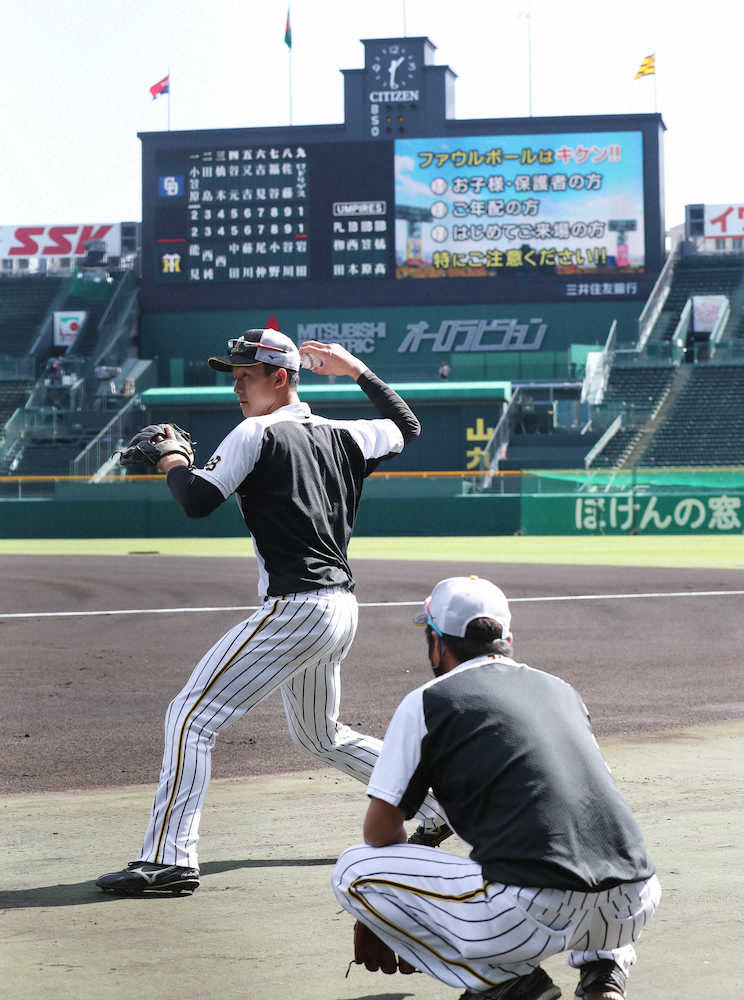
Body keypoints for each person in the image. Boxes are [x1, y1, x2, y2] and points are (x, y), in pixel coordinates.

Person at [96, 328, 448, 896]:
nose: (236, 387)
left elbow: (196, 500)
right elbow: (408, 427)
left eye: (245, 375)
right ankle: (436, 807)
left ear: (279, 377)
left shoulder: (253, 433)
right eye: (233, 376)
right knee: (320, 736)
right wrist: (355, 369)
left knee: (190, 716)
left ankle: (168, 859)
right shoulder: (346, 434)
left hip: (297, 607)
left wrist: (172, 460)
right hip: (339, 607)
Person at [332, 575, 661, 1000]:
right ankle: (604, 974)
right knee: (588, 842)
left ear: (437, 642)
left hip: (529, 913)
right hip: (633, 900)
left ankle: (511, 985)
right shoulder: (562, 691)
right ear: (508, 638)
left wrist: (396, 913)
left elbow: (379, 835)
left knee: (354, 869)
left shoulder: (429, 700)